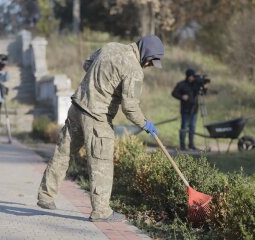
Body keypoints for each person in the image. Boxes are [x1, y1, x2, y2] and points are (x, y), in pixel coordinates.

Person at [37, 35, 164, 222]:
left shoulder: (111, 47)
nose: (150, 66)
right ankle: (101, 211)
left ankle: (45, 196)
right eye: (152, 62)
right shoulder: (134, 69)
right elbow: (129, 107)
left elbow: (87, 64)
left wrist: (103, 81)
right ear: (146, 55)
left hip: (78, 106)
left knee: (63, 153)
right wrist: (144, 123)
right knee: (101, 163)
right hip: (97, 117)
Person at [172, 69, 208, 151]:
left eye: (194, 76)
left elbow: (203, 93)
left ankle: (191, 145)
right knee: (184, 127)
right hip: (185, 110)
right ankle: (182, 146)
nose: (193, 78)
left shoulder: (196, 85)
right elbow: (174, 93)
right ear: (188, 76)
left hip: (194, 110)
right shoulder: (182, 84)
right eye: (191, 76)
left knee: (192, 128)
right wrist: (182, 97)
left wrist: (204, 87)